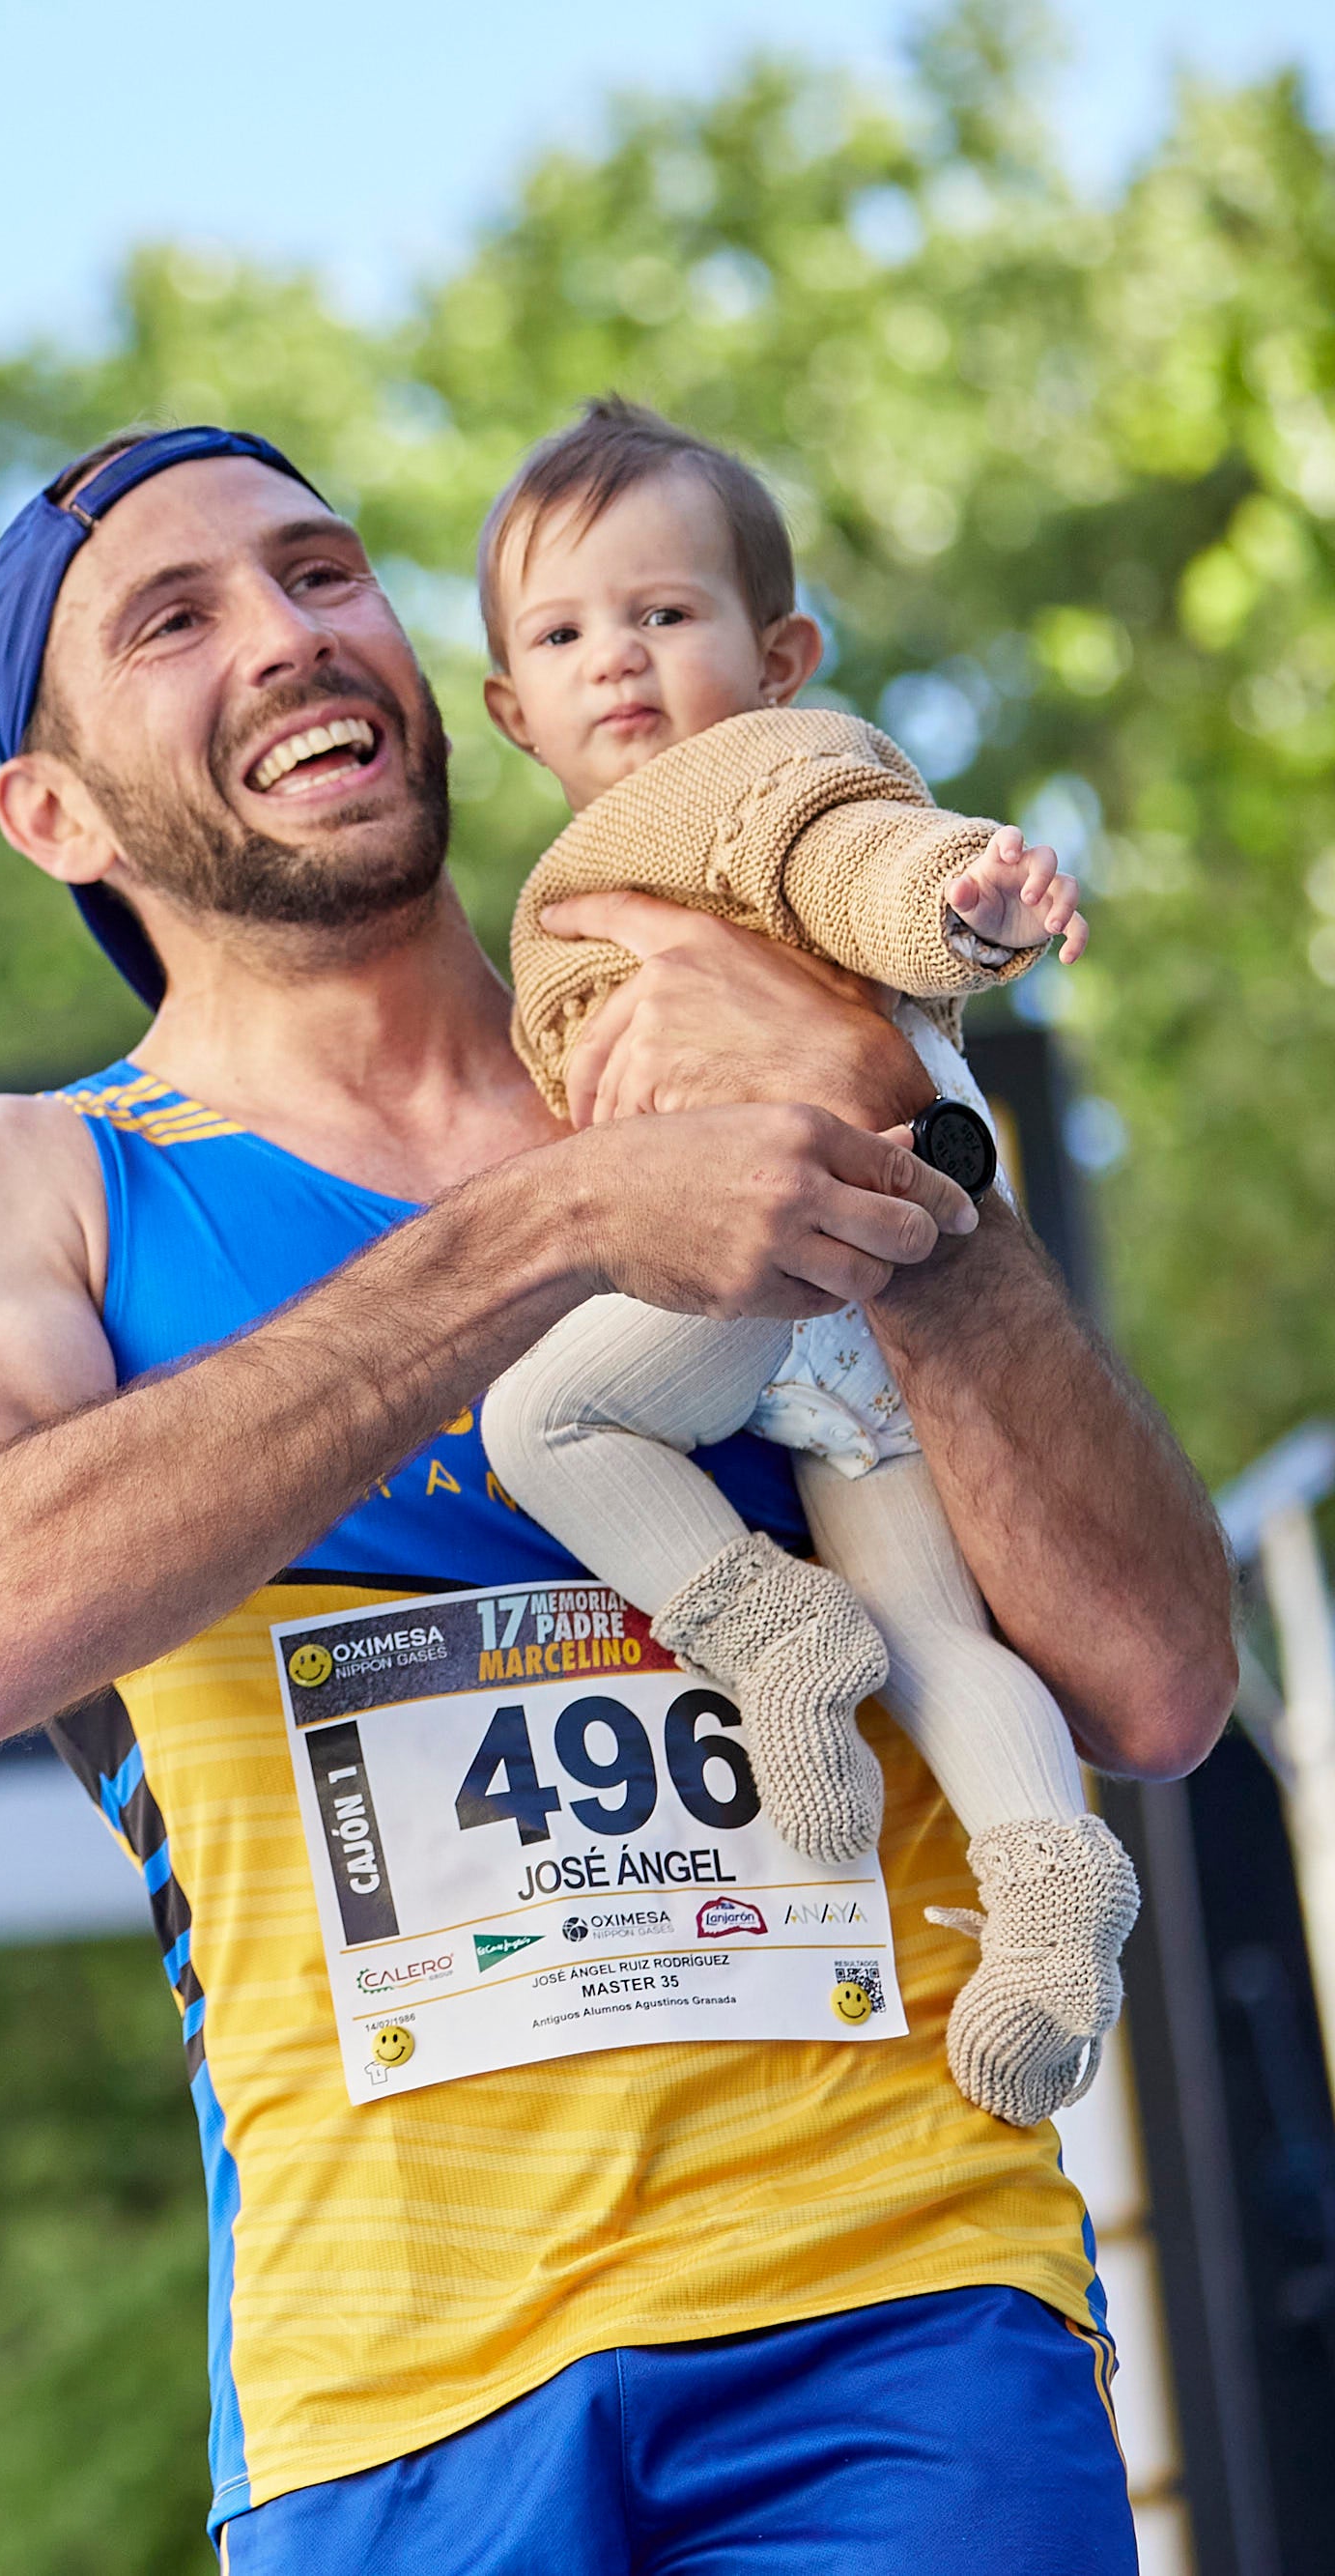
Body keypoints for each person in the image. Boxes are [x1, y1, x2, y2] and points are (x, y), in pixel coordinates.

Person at [0, 421, 1233, 2566]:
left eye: (321, 573)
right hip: (393, 2388)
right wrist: (558, 1219)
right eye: (174, 619)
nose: (288, 635)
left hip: (899, 2310)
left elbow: (1154, 1682)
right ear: (52, 812)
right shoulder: (23, 1180)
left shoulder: (730, 1025)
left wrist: (896, 1150)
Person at [472, 396, 1133, 2134]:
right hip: (841, 1327)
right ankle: (1052, 1890)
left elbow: (850, 856)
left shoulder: (749, 775)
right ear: (510, 706)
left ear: (780, 657)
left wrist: (959, 903)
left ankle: (766, 1633)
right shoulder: (574, 874)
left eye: (663, 612)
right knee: (930, 1638)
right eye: (564, 635)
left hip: (806, 1238)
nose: (618, 658)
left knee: (546, 1421)